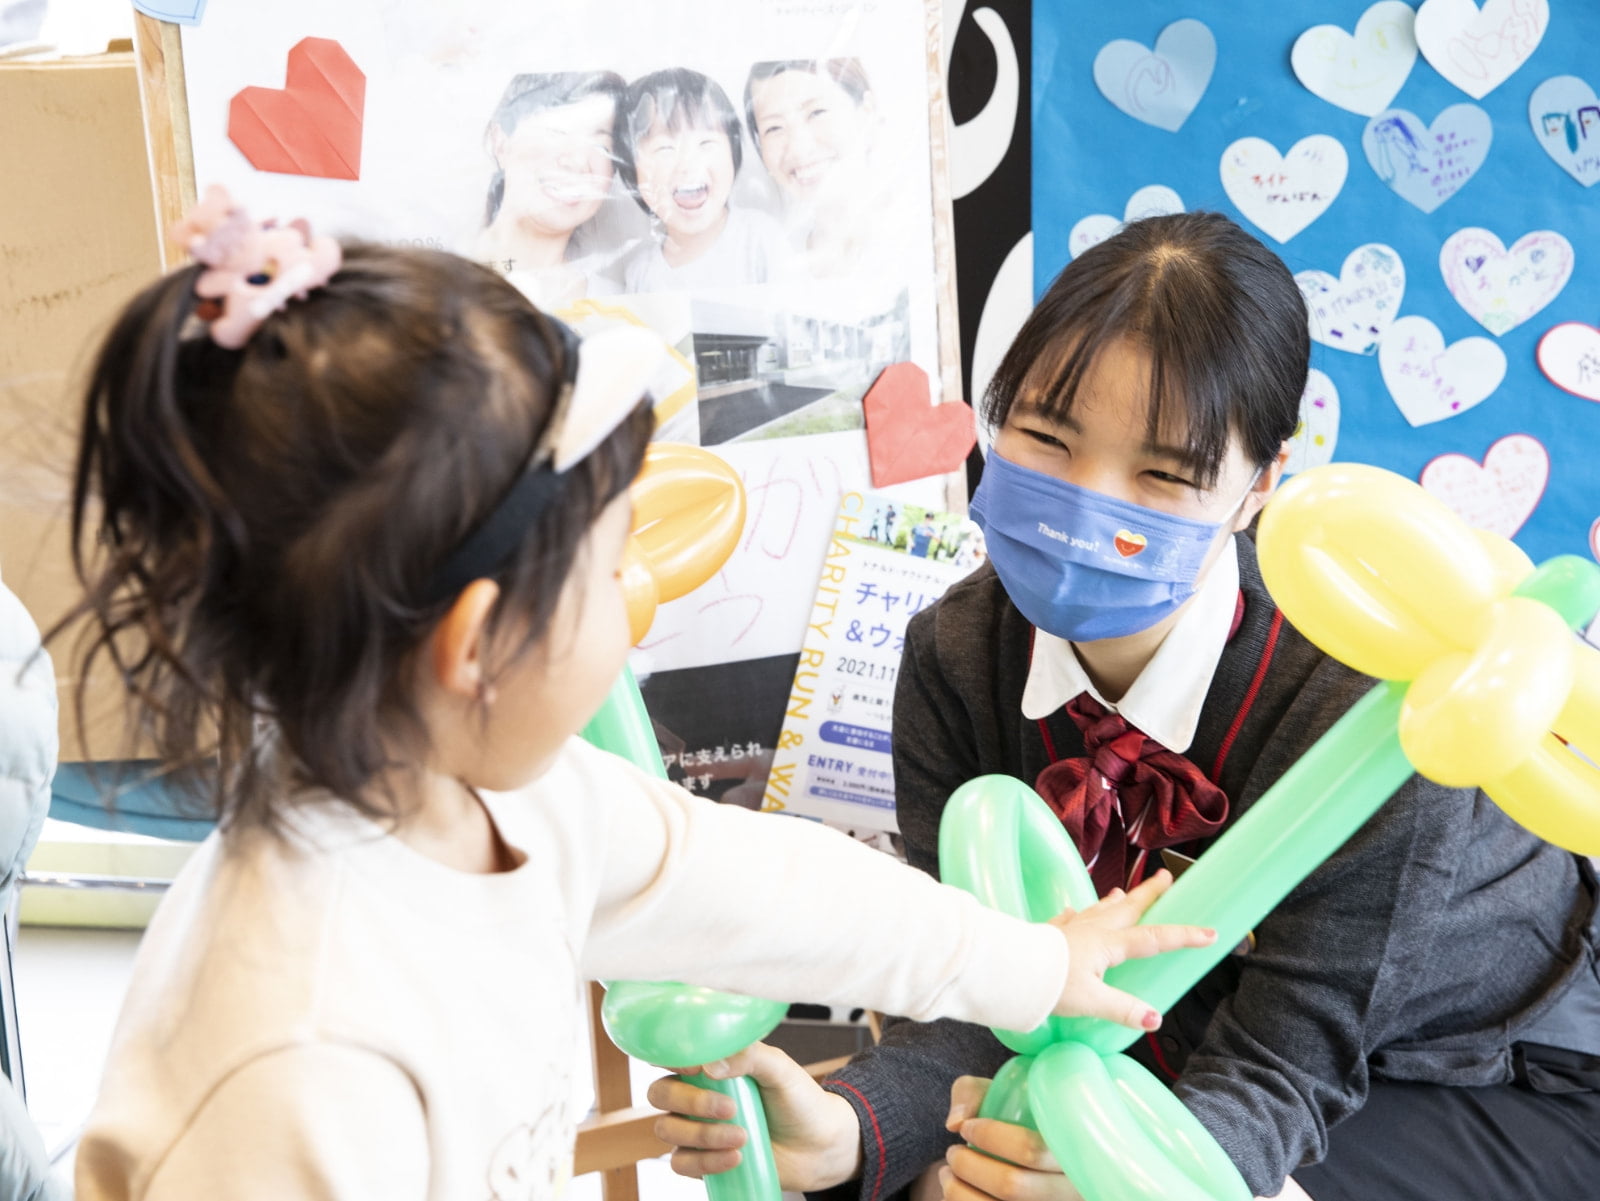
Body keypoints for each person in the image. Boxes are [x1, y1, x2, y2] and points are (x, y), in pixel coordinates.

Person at [64, 188, 1214, 1200]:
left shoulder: (510, 800)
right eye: (611, 562)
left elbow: (770, 890)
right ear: (476, 646)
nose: (638, 595)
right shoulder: (303, 1050)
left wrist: (1031, 963)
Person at [646, 212, 1600, 1201]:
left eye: (1164, 474)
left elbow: (1287, 1063)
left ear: (1258, 486)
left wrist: (1114, 1173)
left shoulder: (1364, 706)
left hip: (1473, 1072)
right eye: (1046, 438)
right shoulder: (954, 657)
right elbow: (991, 986)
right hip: (1164, 1043)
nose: (1085, 503)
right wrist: (850, 1127)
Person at [616, 67, 786, 292]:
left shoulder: (760, 238)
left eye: (706, 143)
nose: (688, 166)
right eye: (664, 148)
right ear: (632, 173)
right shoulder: (641, 273)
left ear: (733, 151)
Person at [475, 71, 627, 309]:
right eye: (556, 132)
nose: (578, 161)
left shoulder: (616, 306)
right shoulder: (433, 275)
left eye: (601, 146)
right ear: (500, 142)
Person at [743, 59, 899, 280]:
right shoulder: (777, 258)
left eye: (816, 113)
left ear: (866, 111)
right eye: (774, 128)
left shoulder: (916, 232)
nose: (798, 149)